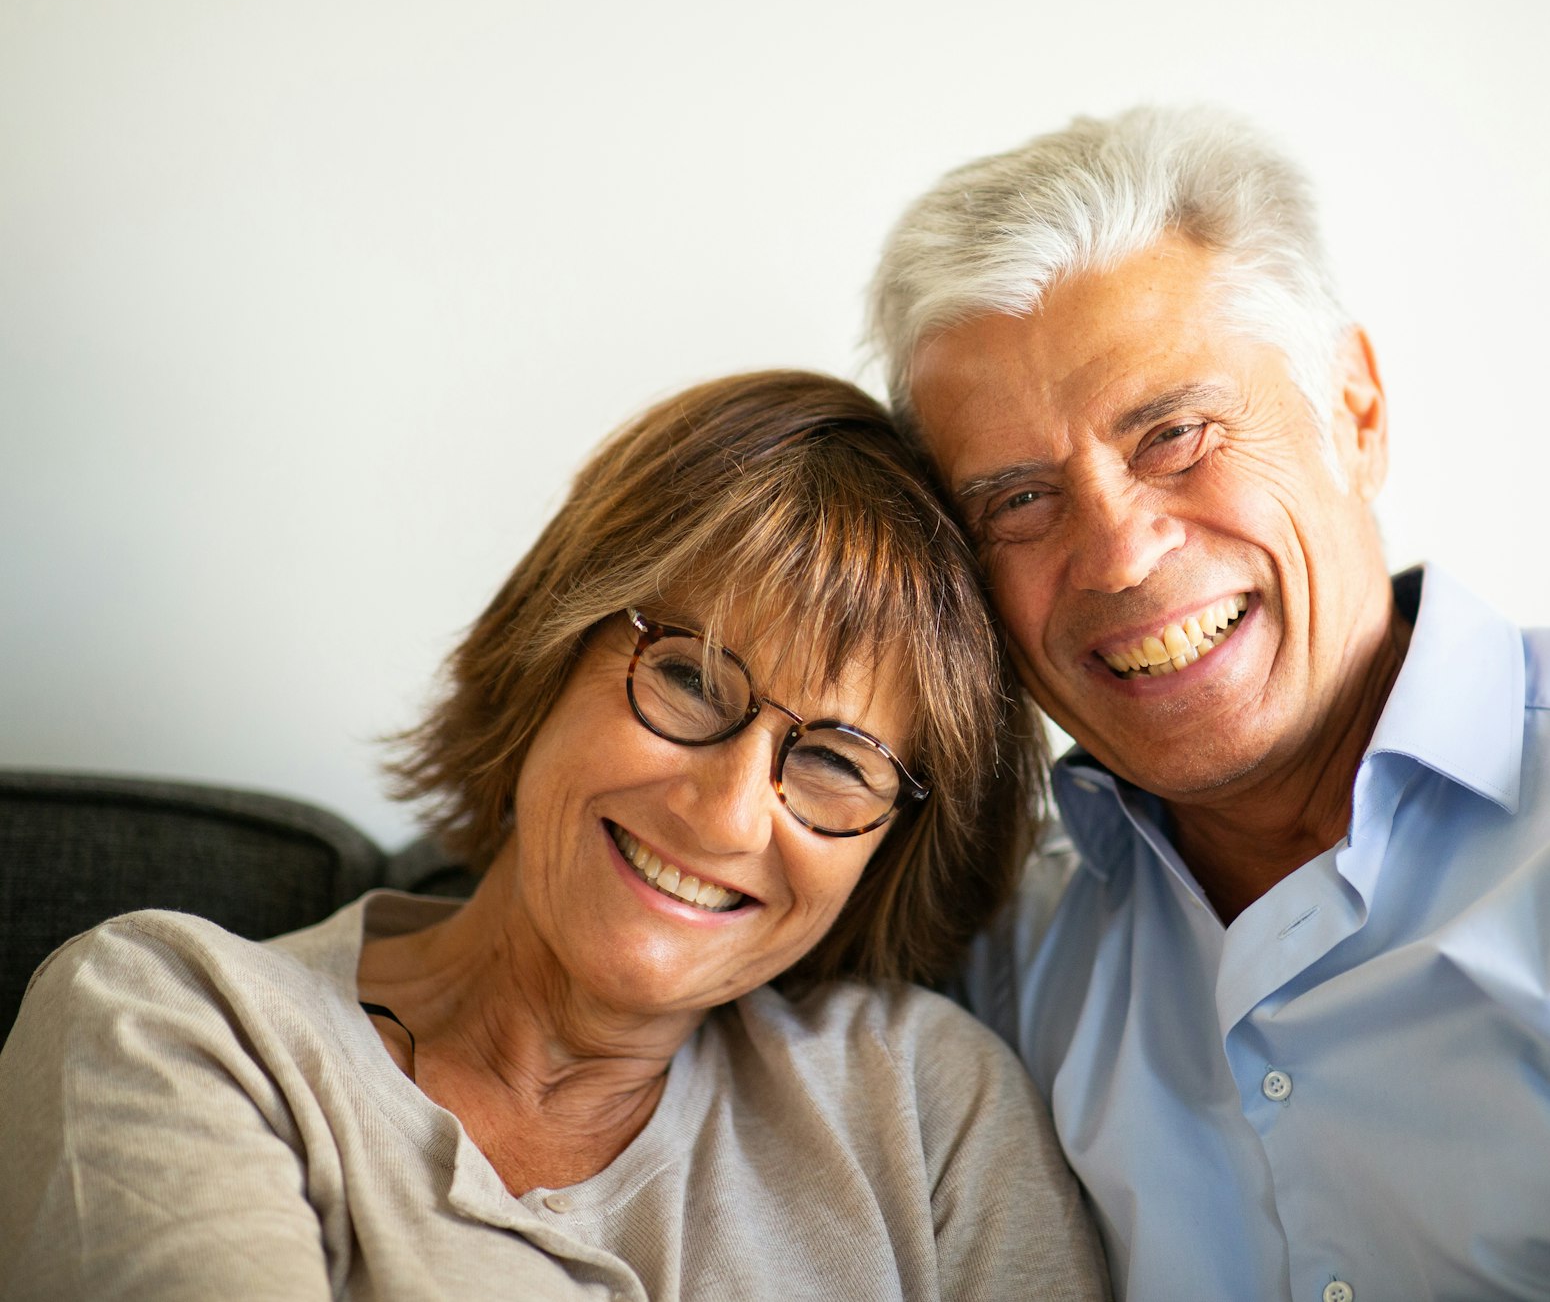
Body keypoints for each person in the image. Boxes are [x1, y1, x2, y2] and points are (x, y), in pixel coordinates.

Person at [866, 107, 1550, 1299]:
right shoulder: (1003, 956)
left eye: (1174, 435)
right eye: (1016, 503)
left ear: (1355, 414)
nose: (1116, 558)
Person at [0, 372, 1110, 1300]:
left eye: (833, 761)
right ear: (549, 654)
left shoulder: (923, 1101)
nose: (726, 813)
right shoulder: (176, 1020)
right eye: (686, 677)